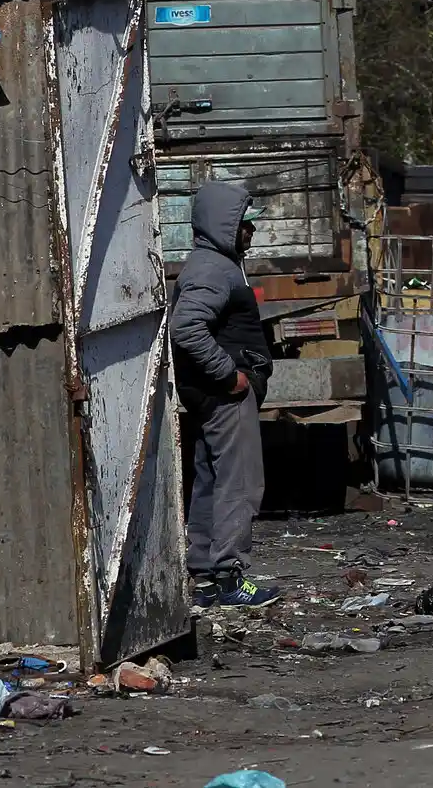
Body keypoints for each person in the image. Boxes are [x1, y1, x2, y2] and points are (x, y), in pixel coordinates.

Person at [170, 180, 280, 610]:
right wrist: (230, 377)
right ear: (225, 225)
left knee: (211, 481)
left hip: (209, 395)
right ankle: (230, 576)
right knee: (240, 484)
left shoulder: (211, 263)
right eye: (244, 224)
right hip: (224, 397)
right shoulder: (214, 269)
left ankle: (205, 573)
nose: (250, 232)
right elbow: (186, 328)